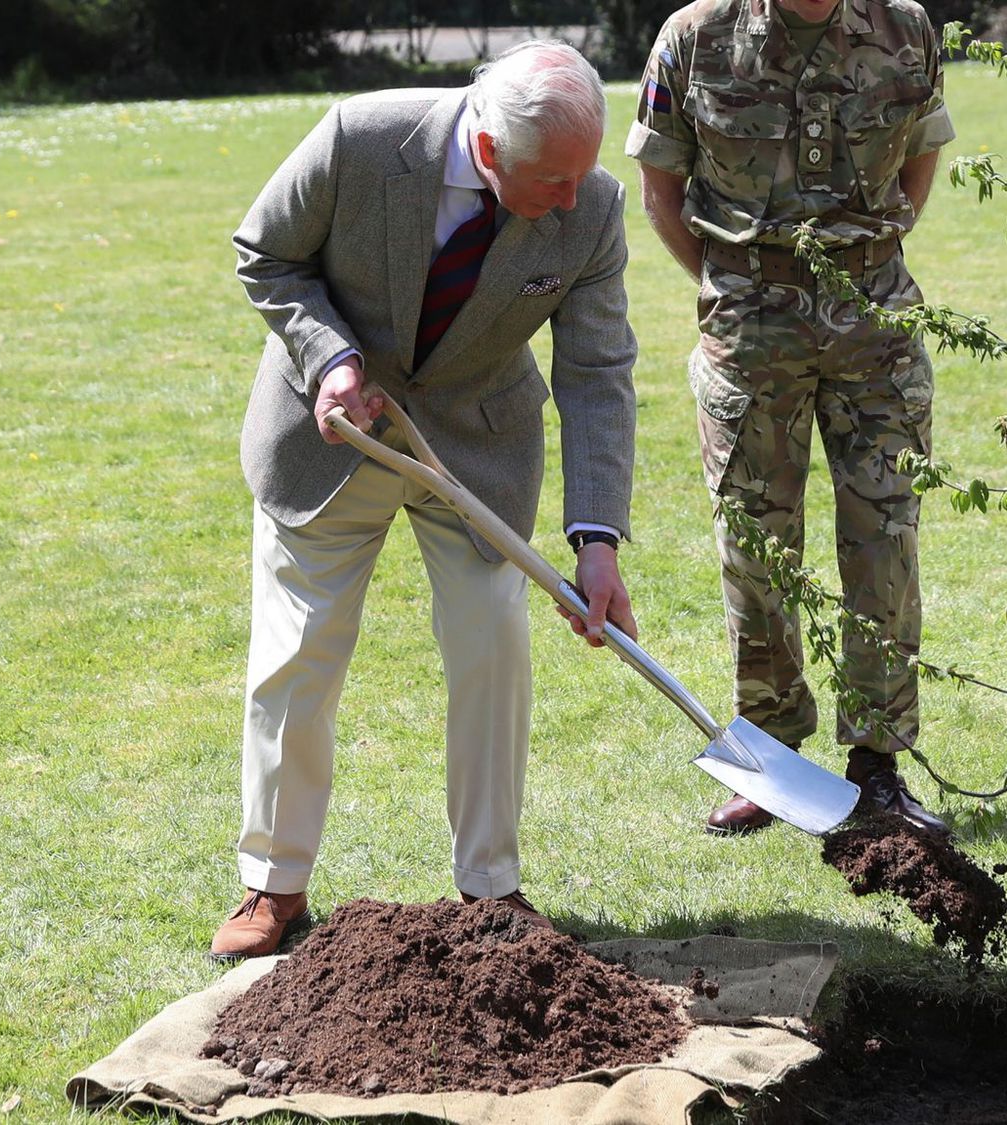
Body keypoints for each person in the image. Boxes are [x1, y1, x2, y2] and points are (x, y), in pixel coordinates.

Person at [211, 41, 640, 960]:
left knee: (494, 640)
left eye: (583, 175)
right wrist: (331, 361)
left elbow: (598, 372)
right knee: (298, 653)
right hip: (333, 431)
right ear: (488, 152)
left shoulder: (591, 205)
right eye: (552, 181)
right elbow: (266, 255)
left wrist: (597, 539)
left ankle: (491, 887)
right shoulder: (361, 139)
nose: (573, 201)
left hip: (477, 447)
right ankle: (273, 885)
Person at [627, 0, 953, 839]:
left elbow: (922, 154)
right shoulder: (695, 38)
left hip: (874, 320)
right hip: (748, 322)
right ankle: (769, 761)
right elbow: (660, 188)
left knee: (885, 539)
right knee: (756, 546)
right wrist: (739, 282)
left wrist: (872, 247)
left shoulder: (905, 28)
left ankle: (877, 767)